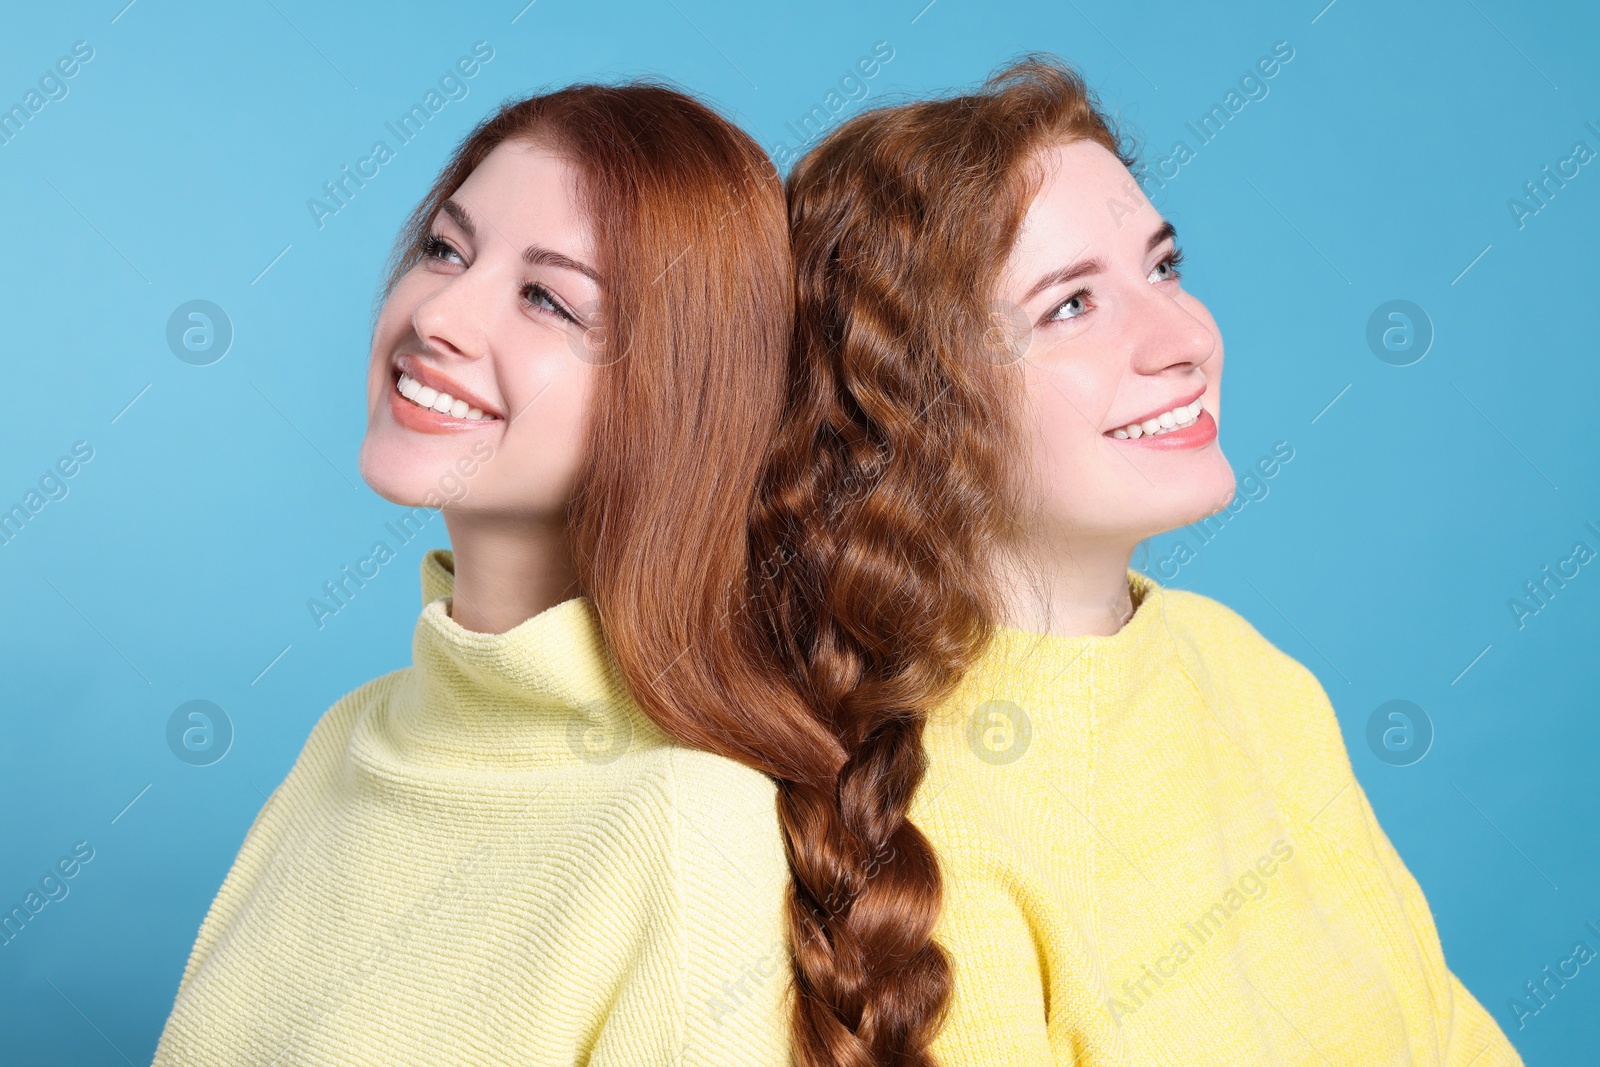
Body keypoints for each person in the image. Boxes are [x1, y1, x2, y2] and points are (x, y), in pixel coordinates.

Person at [753, 54, 1524, 1065]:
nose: (1182, 337)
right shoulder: (912, 822)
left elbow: (1445, 1029)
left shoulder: (1247, 667)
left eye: (1163, 267)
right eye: (1071, 304)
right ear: (909, 404)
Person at [151, 80, 837, 1066]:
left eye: (546, 297)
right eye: (444, 248)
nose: (441, 315)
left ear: (680, 394)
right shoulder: (349, 736)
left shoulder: (687, 830)